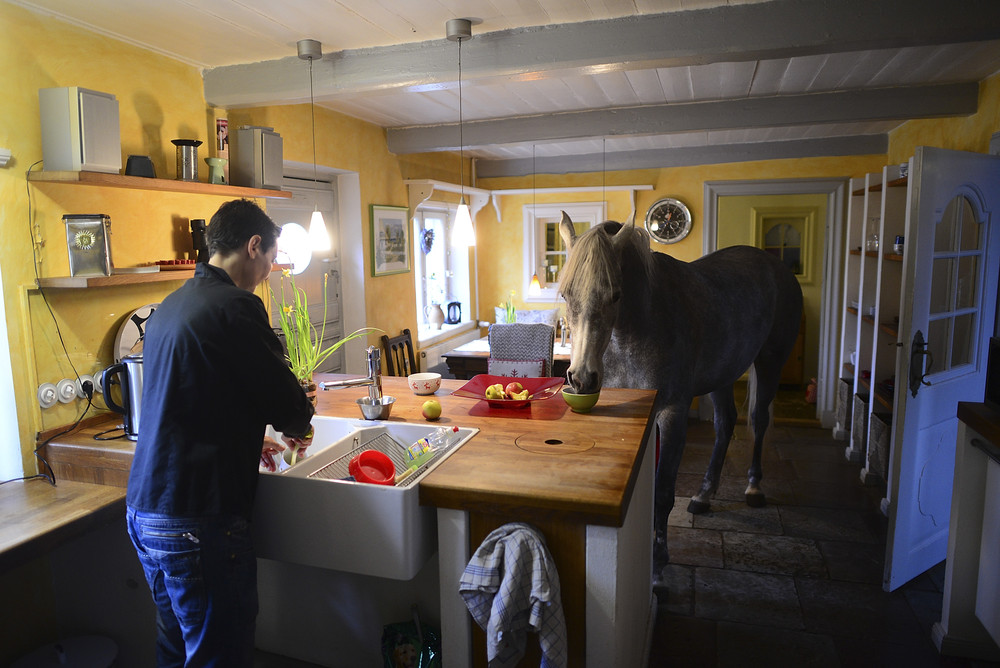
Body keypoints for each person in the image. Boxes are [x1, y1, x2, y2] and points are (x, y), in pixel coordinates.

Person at [125, 198, 315, 667]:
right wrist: (295, 425)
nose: (268, 271)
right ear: (254, 246)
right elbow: (288, 405)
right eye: (271, 259)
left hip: (145, 511)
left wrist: (249, 433)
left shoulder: (171, 305)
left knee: (176, 651)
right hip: (196, 516)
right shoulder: (237, 306)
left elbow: (197, 391)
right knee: (218, 657)